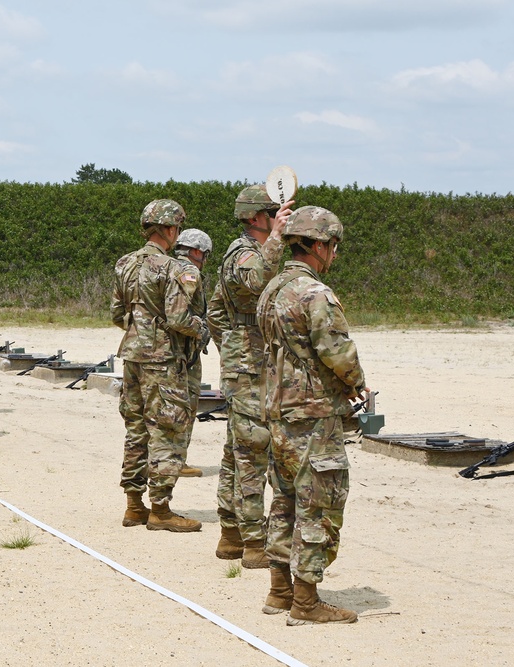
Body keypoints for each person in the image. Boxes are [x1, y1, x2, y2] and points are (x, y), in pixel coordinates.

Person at [256, 205, 367, 625]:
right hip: (313, 412)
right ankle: (305, 602)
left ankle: (280, 590)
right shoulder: (314, 292)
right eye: (333, 245)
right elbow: (337, 351)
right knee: (319, 503)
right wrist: (357, 380)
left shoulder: (273, 289)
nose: (334, 253)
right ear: (319, 245)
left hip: (279, 410)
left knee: (285, 500)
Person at [207, 184, 293, 569]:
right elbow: (257, 281)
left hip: (247, 361)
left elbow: (213, 310)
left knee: (237, 450)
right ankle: (254, 543)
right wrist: (276, 240)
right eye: (274, 215)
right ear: (258, 218)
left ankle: (230, 533)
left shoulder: (249, 252)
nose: (279, 220)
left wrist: (229, 344)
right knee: (254, 452)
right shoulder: (243, 254)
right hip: (250, 366)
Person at [111, 199, 210, 532]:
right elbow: (179, 317)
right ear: (170, 229)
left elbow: (115, 314)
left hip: (132, 356)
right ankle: (161, 511)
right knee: (166, 430)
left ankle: (133, 506)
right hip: (163, 361)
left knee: (136, 430)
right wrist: (202, 329)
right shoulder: (171, 268)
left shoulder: (124, 263)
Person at [172, 229, 213, 478]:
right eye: (205, 254)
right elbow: (180, 314)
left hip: (171, 350)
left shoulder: (165, 267)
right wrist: (200, 330)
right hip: (185, 350)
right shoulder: (189, 272)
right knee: (186, 405)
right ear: (197, 251)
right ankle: (177, 460)